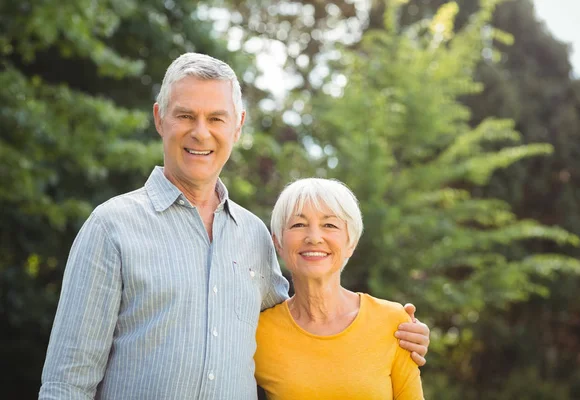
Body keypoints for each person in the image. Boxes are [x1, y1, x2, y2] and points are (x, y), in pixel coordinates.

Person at [39, 53, 430, 400]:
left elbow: (303, 324)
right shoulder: (111, 227)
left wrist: (392, 336)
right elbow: (67, 383)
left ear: (237, 126)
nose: (201, 132)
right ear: (160, 118)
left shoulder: (255, 235)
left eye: (216, 118)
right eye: (186, 115)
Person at [254, 178, 424, 399]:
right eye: (298, 224)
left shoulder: (394, 322)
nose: (314, 238)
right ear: (278, 243)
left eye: (330, 225)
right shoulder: (257, 333)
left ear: (350, 243)